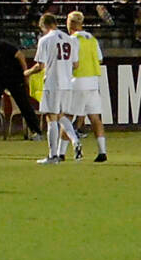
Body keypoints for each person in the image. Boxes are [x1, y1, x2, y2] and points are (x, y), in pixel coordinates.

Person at [65, 9, 109, 162]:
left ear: (70, 24)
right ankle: (102, 152)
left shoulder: (72, 40)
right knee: (95, 117)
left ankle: (61, 152)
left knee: (67, 117)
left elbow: (73, 62)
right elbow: (100, 60)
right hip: (93, 82)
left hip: (78, 81)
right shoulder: (92, 39)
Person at [33, 11, 74, 164]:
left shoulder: (45, 40)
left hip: (52, 81)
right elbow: (75, 63)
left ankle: (53, 156)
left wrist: (28, 72)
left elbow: (40, 65)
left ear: (44, 26)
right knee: (61, 115)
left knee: (51, 118)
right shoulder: (69, 39)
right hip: (67, 82)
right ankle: (75, 141)